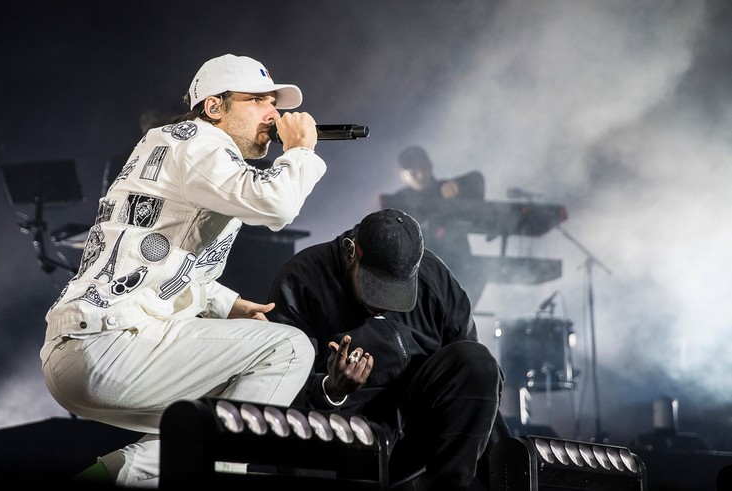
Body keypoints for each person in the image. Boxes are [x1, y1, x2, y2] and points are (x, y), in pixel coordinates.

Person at [40, 53, 327, 488]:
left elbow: (162, 254)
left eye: (274, 103)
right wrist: (300, 151)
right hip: (108, 342)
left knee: (213, 422)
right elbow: (276, 205)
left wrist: (227, 303)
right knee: (288, 350)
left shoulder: (176, 144)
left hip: (85, 346)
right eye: (257, 101)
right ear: (214, 107)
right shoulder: (201, 142)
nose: (273, 114)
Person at [266, 208, 509, 491]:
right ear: (351, 253)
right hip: (346, 431)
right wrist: (332, 390)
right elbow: (280, 390)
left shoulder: (434, 278)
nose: (383, 305)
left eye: (396, 293)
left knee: (478, 362)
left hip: (417, 429)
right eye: (375, 289)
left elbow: (473, 379)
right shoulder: (302, 279)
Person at [380, 145, 488, 302]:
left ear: (430, 166)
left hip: (459, 270)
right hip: (420, 276)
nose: (420, 174)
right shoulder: (397, 202)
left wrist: (458, 185)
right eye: (413, 171)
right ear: (402, 175)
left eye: (422, 167)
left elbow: (476, 179)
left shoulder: (446, 189)